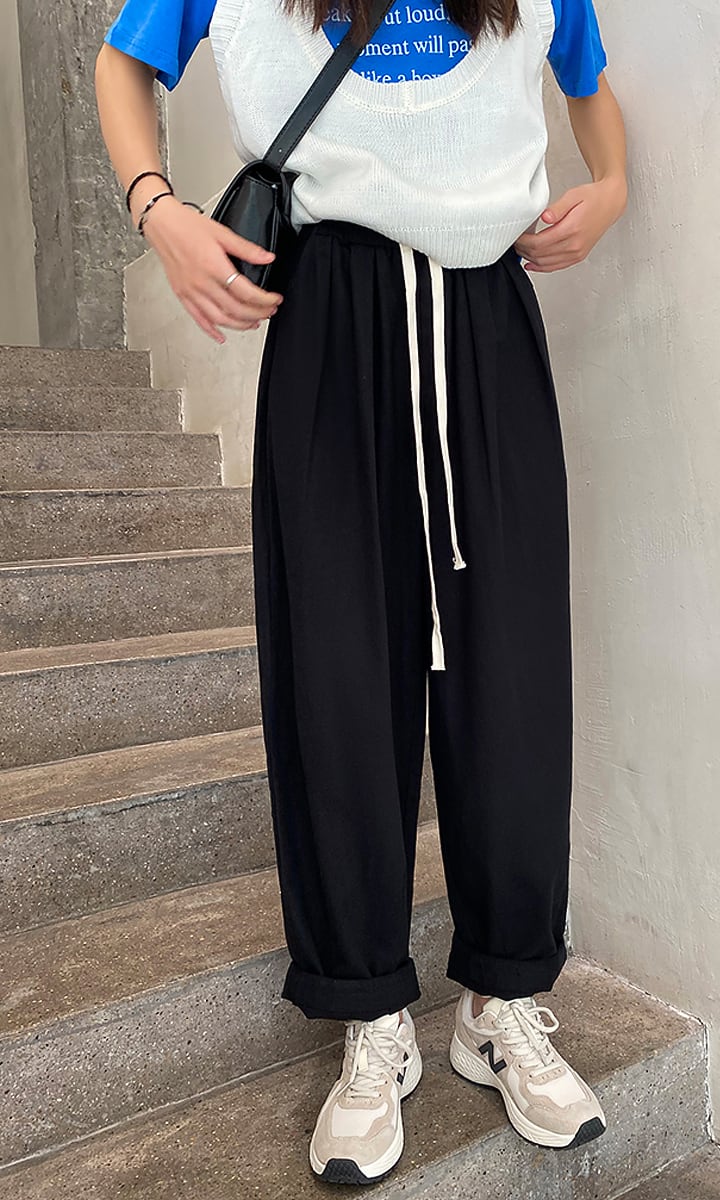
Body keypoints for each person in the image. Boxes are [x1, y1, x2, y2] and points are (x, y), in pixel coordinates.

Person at [95, 0, 627, 1184]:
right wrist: (157, 206)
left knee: (514, 681)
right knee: (335, 675)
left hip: (488, 319)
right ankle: (369, 1008)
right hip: (332, 317)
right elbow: (124, 60)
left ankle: (499, 999)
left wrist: (615, 184)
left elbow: (587, 76)